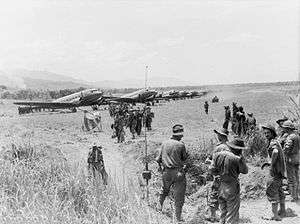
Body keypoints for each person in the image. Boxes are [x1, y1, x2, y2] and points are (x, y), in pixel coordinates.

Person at [209, 138, 248, 224]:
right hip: (232, 187)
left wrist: (218, 175)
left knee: (223, 212)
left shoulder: (217, 155)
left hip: (220, 185)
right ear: (238, 149)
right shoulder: (237, 158)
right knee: (232, 214)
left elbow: (211, 170)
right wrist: (242, 159)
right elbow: (245, 171)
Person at [156, 124, 188, 223]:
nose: (182, 136)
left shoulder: (164, 143)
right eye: (181, 134)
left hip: (166, 172)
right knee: (179, 196)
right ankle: (177, 218)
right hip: (178, 172)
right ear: (178, 135)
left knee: (164, 190)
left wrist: (161, 168)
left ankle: (158, 207)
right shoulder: (180, 145)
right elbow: (184, 158)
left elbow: (158, 159)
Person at [262, 124, 286, 221]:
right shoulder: (276, 141)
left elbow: (275, 152)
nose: (266, 134)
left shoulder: (273, 143)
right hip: (279, 172)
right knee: (280, 190)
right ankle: (283, 210)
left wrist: (271, 164)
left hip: (275, 172)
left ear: (272, 133)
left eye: (268, 133)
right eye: (265, 133)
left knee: (271, 190)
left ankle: (275, 215)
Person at [205, 128, 230, 222]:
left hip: (218, 175)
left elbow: (211, 162)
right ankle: (226, 217)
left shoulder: (219, 147)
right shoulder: (231, 146)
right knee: (227, 196)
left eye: (218, 134)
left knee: (214, 194)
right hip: (229, 176)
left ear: (221, 136)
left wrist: (209, 162)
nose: (217, 136)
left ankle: (212, 216)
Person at [282, 120, 300, 202]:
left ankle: (293, 196)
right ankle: (296, 195)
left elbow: (287, 148)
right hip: (297, 157)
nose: (283, 129)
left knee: (291, 178)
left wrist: (283, 152)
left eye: (285, 128)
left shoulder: (290, 137)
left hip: (290, 159)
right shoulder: (297, 136)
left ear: (288, 128)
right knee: (296, 177)